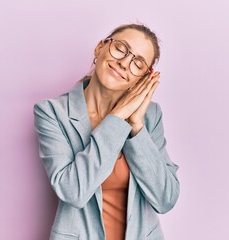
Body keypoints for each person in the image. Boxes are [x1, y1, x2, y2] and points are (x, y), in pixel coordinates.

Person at [33, 23, 180, 240]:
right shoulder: (52, 112)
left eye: (137, 63)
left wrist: (136, 126)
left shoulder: (150, 115)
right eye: (121, 48)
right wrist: (116, 119)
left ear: (142, 79)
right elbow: (73, 191)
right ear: (100, 48)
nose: (123, 63)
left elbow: (165, 198)